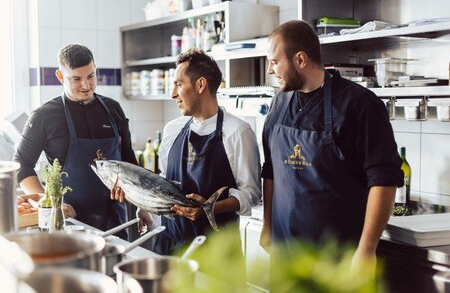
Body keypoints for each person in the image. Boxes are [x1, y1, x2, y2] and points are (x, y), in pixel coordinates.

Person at [259, 20, 403, 267]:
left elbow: (384, 180)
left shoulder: (360, 105)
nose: (270, 70)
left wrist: (367, 250)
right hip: (285, 256)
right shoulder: (278, 104)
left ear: (300, 60)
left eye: (274, 61)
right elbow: (271, 169)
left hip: (337, 261)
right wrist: (267, 224)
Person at [112, 49, 262, 255]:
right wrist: (144, 205)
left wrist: (210, 209)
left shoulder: (238, 131)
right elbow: (163, 182)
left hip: (218, 253)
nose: (173, 93)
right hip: (170, 243)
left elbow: (251, 193)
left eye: (179, 84)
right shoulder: (172, 129)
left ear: (200, 85)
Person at [13, 43, 137, 239]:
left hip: (115, 221)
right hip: (68, 223)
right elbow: (21, 165)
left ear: (95, 68)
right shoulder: (44, 116)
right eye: (76, 79)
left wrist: (142, 205)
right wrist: (50, 202)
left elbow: (129, 161)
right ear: (61, 76)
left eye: (91, 76)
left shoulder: (114, 110)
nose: (86, 85)